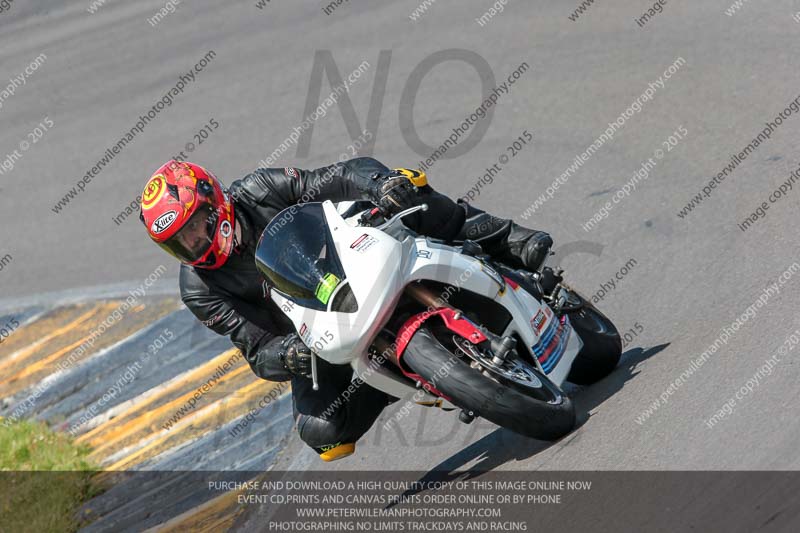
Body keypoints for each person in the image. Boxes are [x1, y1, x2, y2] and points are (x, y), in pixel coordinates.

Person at [139, 157, 553, 461]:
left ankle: (509, 241)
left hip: (353, 259)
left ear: (215, 202)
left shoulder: (259, 189)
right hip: (317, 332)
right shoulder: (199, 289)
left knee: (408, 187)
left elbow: (336, 176)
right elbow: (256, 348)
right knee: (322, 432)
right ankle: (408, 372)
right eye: (180, 243)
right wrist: (287, 355)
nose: (194, 245)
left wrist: (379, 184)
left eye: (195, 228)